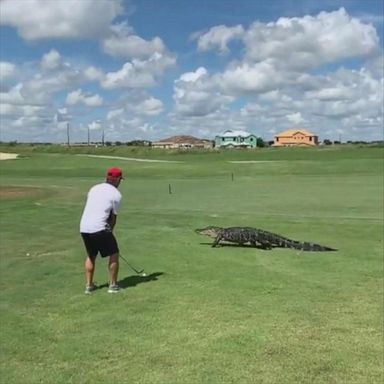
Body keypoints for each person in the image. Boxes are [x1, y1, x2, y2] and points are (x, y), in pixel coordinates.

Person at [80, 167, 124, 294]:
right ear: (116, 180)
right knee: (114, 253)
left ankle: (89, 286)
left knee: (91, 255)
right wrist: (110, 230)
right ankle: (113, 285)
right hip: (100, 227)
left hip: (84, 227)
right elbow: (113, 218)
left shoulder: (94, 188)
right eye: (120, 179)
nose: (120, 182)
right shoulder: (116, 194)